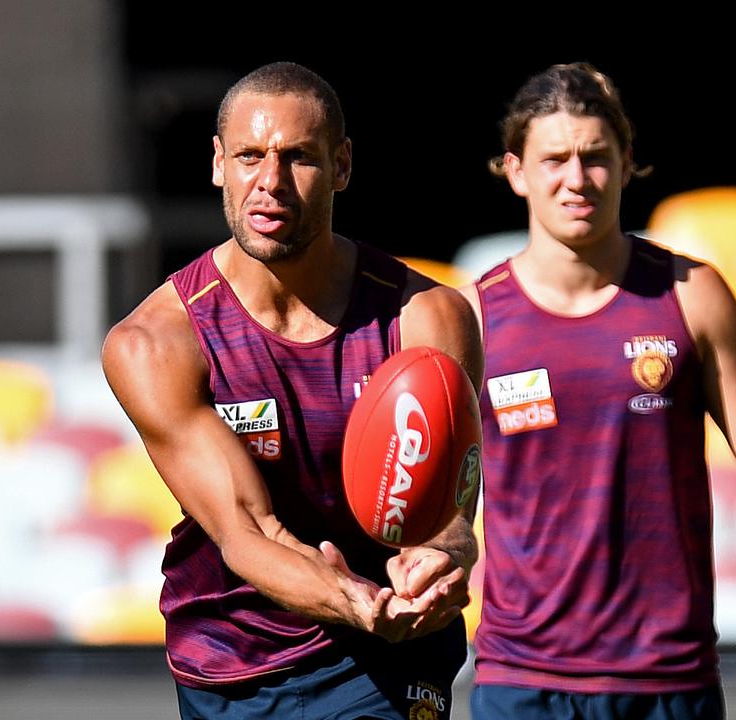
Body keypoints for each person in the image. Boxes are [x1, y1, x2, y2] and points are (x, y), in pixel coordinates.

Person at [102, 61, 483, 720]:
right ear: (218, 163)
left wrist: (439, 563)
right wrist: (355, 601)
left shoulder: (428, 317)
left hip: (391, 658)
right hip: (234, 658)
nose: (269, 182)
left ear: (341, 166)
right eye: (250, 156)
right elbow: (250, 530)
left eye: (298, 158)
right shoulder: (156, 342)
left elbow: (446, 513)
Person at [461, 62, 736, 719]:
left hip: (667, 679)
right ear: (515, 171)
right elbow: (440, 495)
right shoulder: (473, 317)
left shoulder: (691, 296)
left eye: (596, 157)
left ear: (627, 163)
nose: (577, 179)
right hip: (522, 680)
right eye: (555, 160)